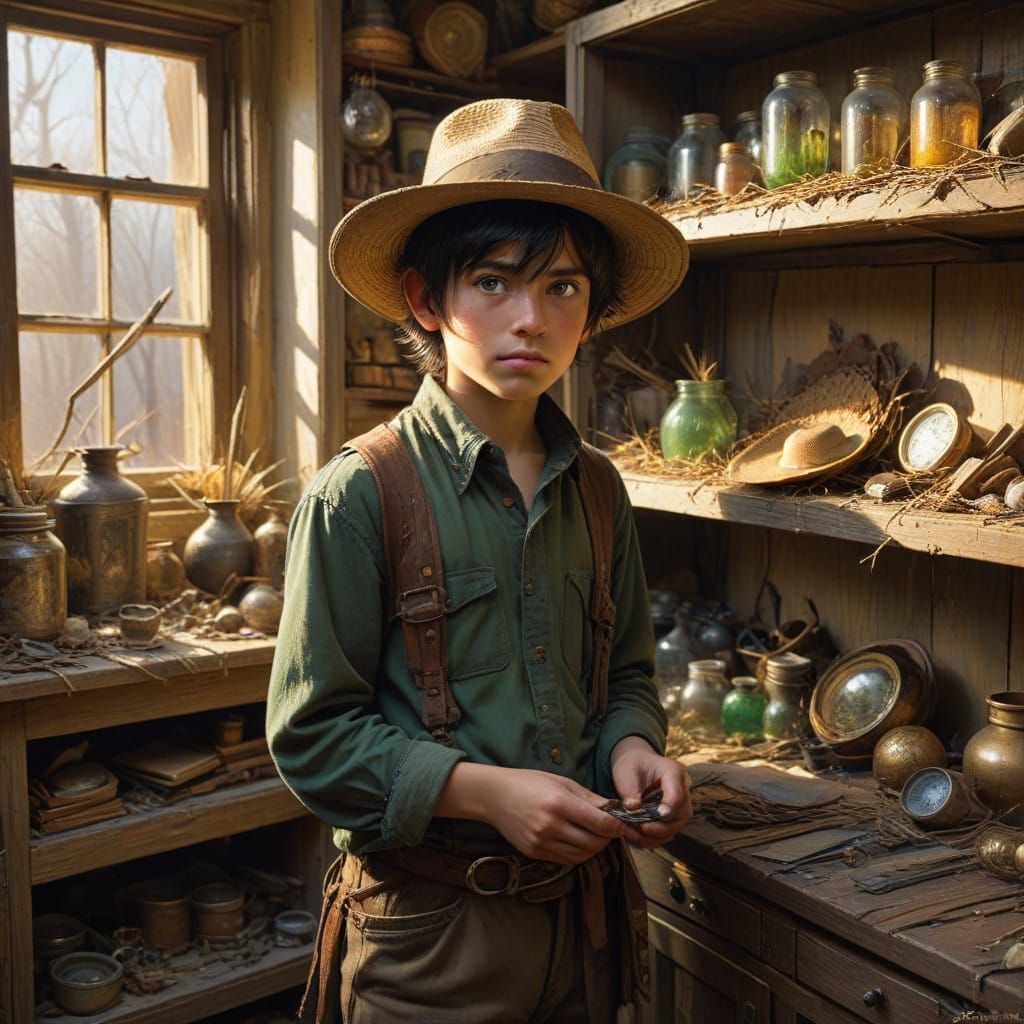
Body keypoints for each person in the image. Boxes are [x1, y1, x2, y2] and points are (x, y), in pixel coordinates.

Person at [266, 98, 693, 1024]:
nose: (531, 320)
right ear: (427, 298)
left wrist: (633, 746)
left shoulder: (601, 491)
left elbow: (624, 673)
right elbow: (311, 738)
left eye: (564, 288)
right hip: (430, 940)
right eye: (494, 283)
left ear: (594, 308)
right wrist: (483, 793)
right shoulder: (361, 494)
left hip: (586, 928)